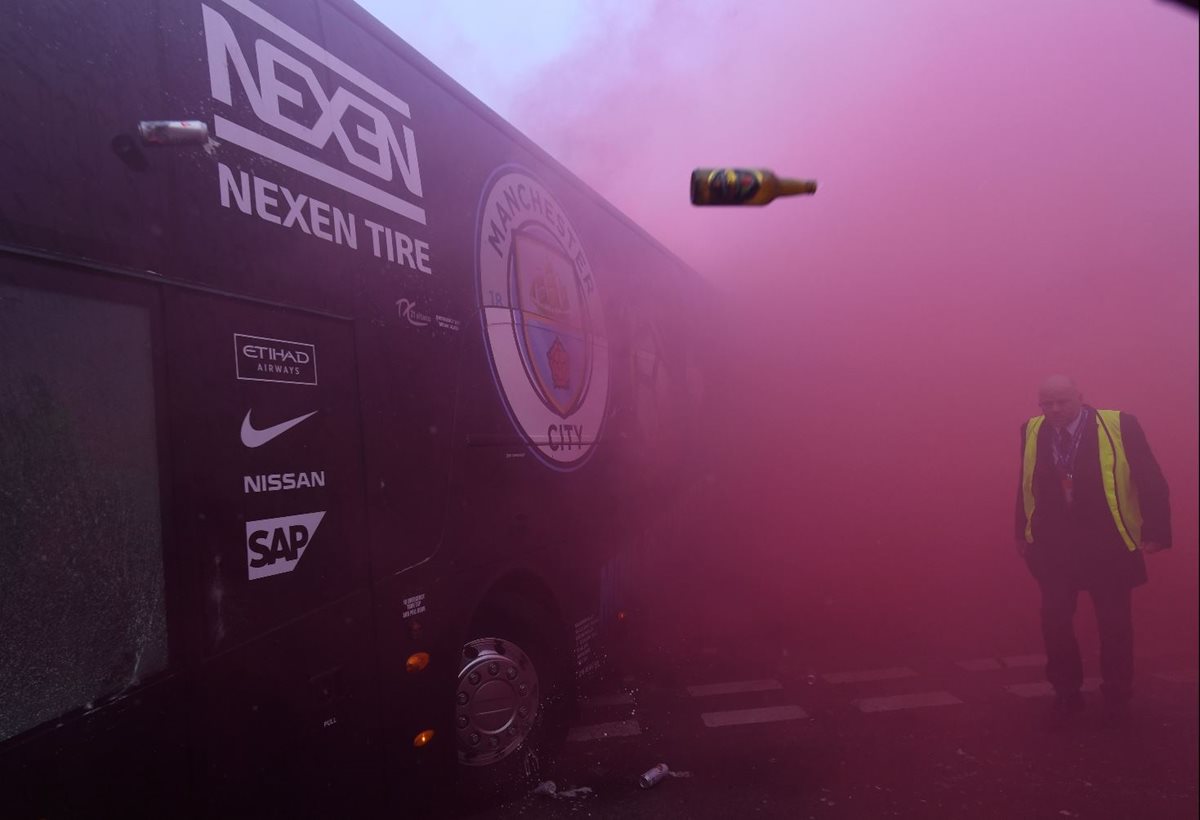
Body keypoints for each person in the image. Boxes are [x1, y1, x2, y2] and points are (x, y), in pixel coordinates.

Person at [1014, 375, 1171, 728]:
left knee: (1114, 623)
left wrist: (1157, 530)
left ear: (1080, 399)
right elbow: (1025, 482)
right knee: (1054, 620)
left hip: (1107, 543)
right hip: (1054, 546)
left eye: (1062, 402)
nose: (1054, 409)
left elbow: (1149, 476)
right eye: (1046, 403)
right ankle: (1066, 692)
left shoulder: (1119, 424)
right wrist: (1020, 531)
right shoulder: (1031, 429)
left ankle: (1117, 694)